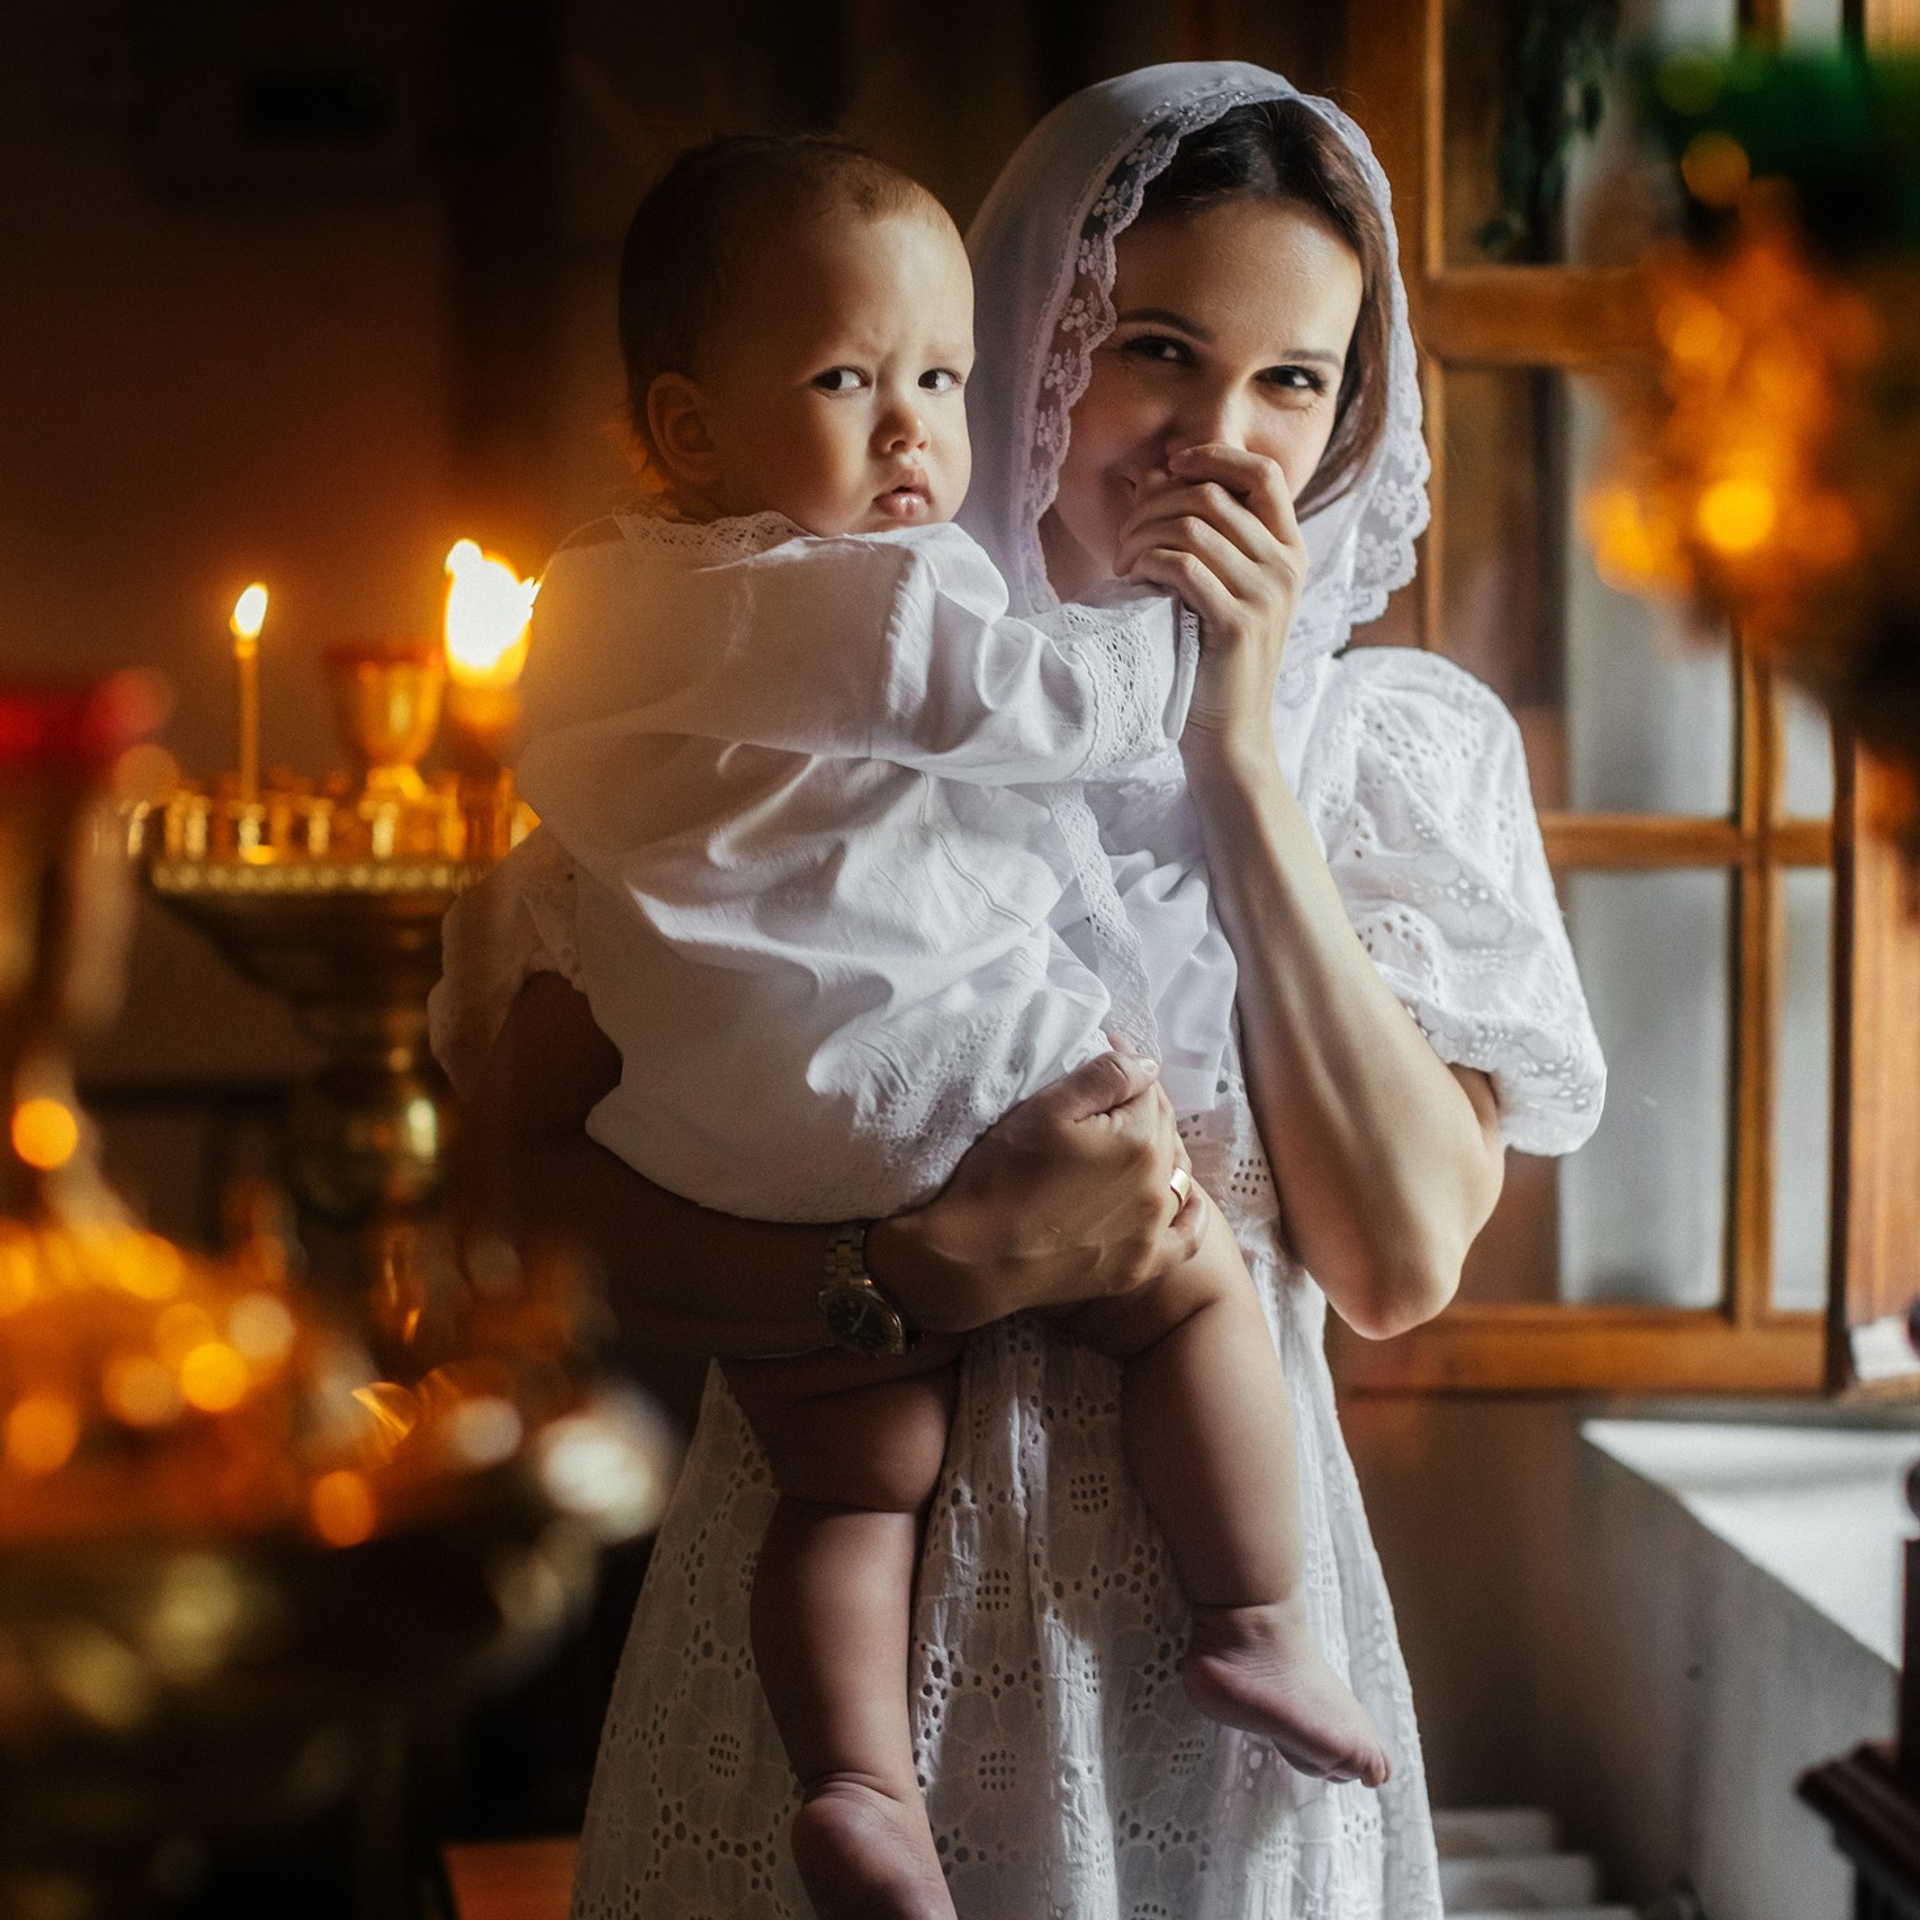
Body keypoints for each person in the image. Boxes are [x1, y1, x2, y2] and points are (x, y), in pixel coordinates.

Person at [432, 60, 1605, 1920]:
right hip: (820, 1667)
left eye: (1295, 382)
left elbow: (1395, 1261)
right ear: (1027, 345)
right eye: (1159, 351)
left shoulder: (1395, 752)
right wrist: (897, 1276)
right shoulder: (759, 720)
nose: (1221, 440)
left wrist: (1238, 754)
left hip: (1208, 1700)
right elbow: (513, 1213)